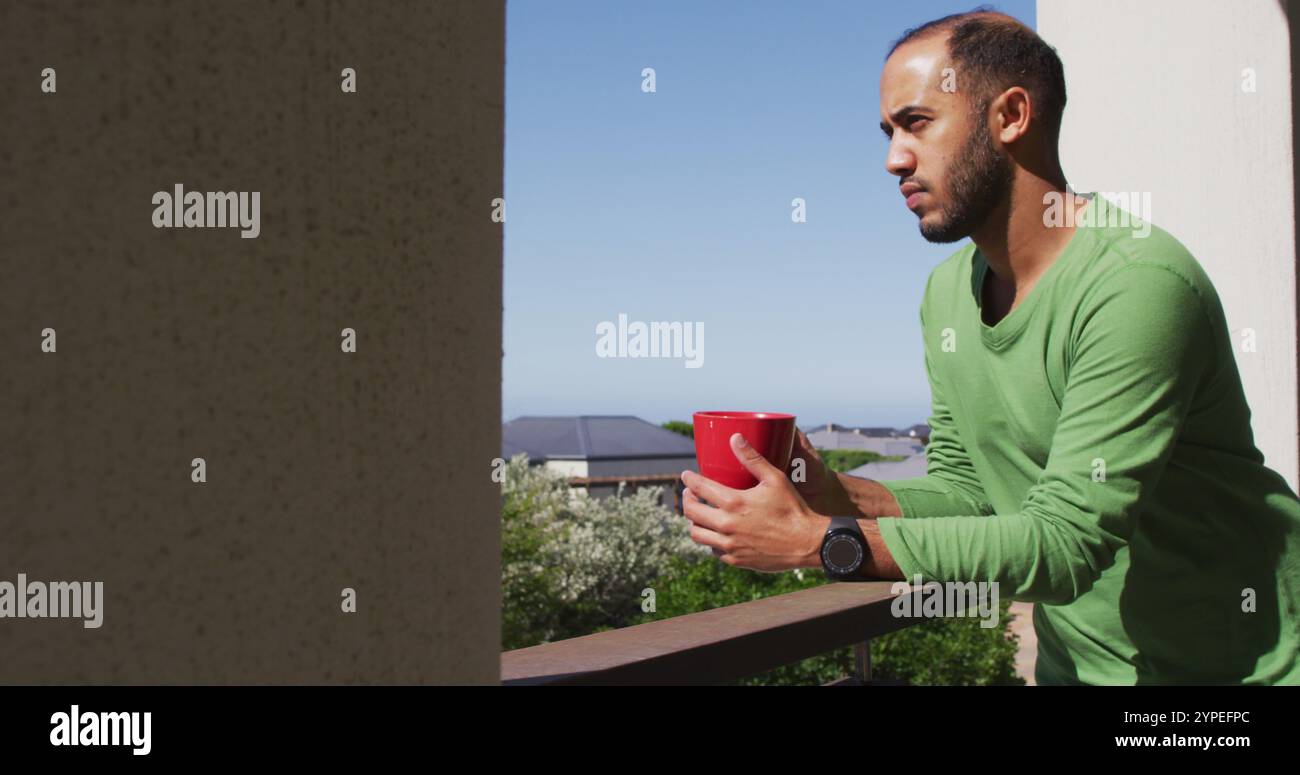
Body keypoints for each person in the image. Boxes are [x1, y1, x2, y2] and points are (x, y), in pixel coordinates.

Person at [679, 9, 1300, 685]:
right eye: (888, 132)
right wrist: (833, 495)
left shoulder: (1136, 288)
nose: (892, 159)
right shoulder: (948, 292)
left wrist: (820, 542)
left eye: (916, 123)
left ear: (1009, 116)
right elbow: (969, 492)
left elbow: (1067, 544)